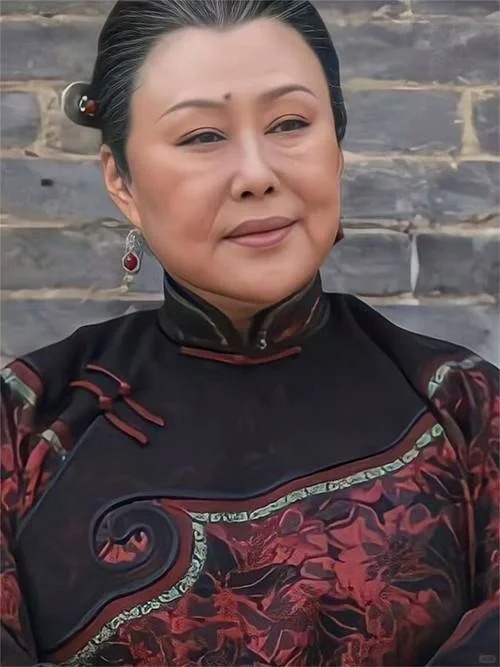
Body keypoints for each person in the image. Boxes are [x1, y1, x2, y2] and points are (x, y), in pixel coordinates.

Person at [1, 1, 498, 665]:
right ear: (122, 182)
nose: (258, 175)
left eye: (290, 123)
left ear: (337, 147)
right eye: (202, 136)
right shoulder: (27, 427)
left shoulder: (466, 409)